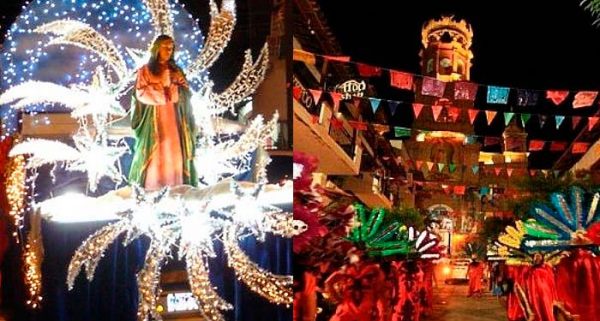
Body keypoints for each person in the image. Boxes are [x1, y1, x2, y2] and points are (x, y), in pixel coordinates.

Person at [128, 34, 198, 190]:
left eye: (171, 48)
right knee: (158, 147)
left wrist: (176, 87)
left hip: (174, 116)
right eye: (165, 47)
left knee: (174, 147)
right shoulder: (145, 70)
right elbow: (140, 93)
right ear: (157, 48)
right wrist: (162, 90)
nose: (169, 50)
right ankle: (153, 185)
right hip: (153, 116)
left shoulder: (176, 70)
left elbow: (186, 92)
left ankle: (175, 183)